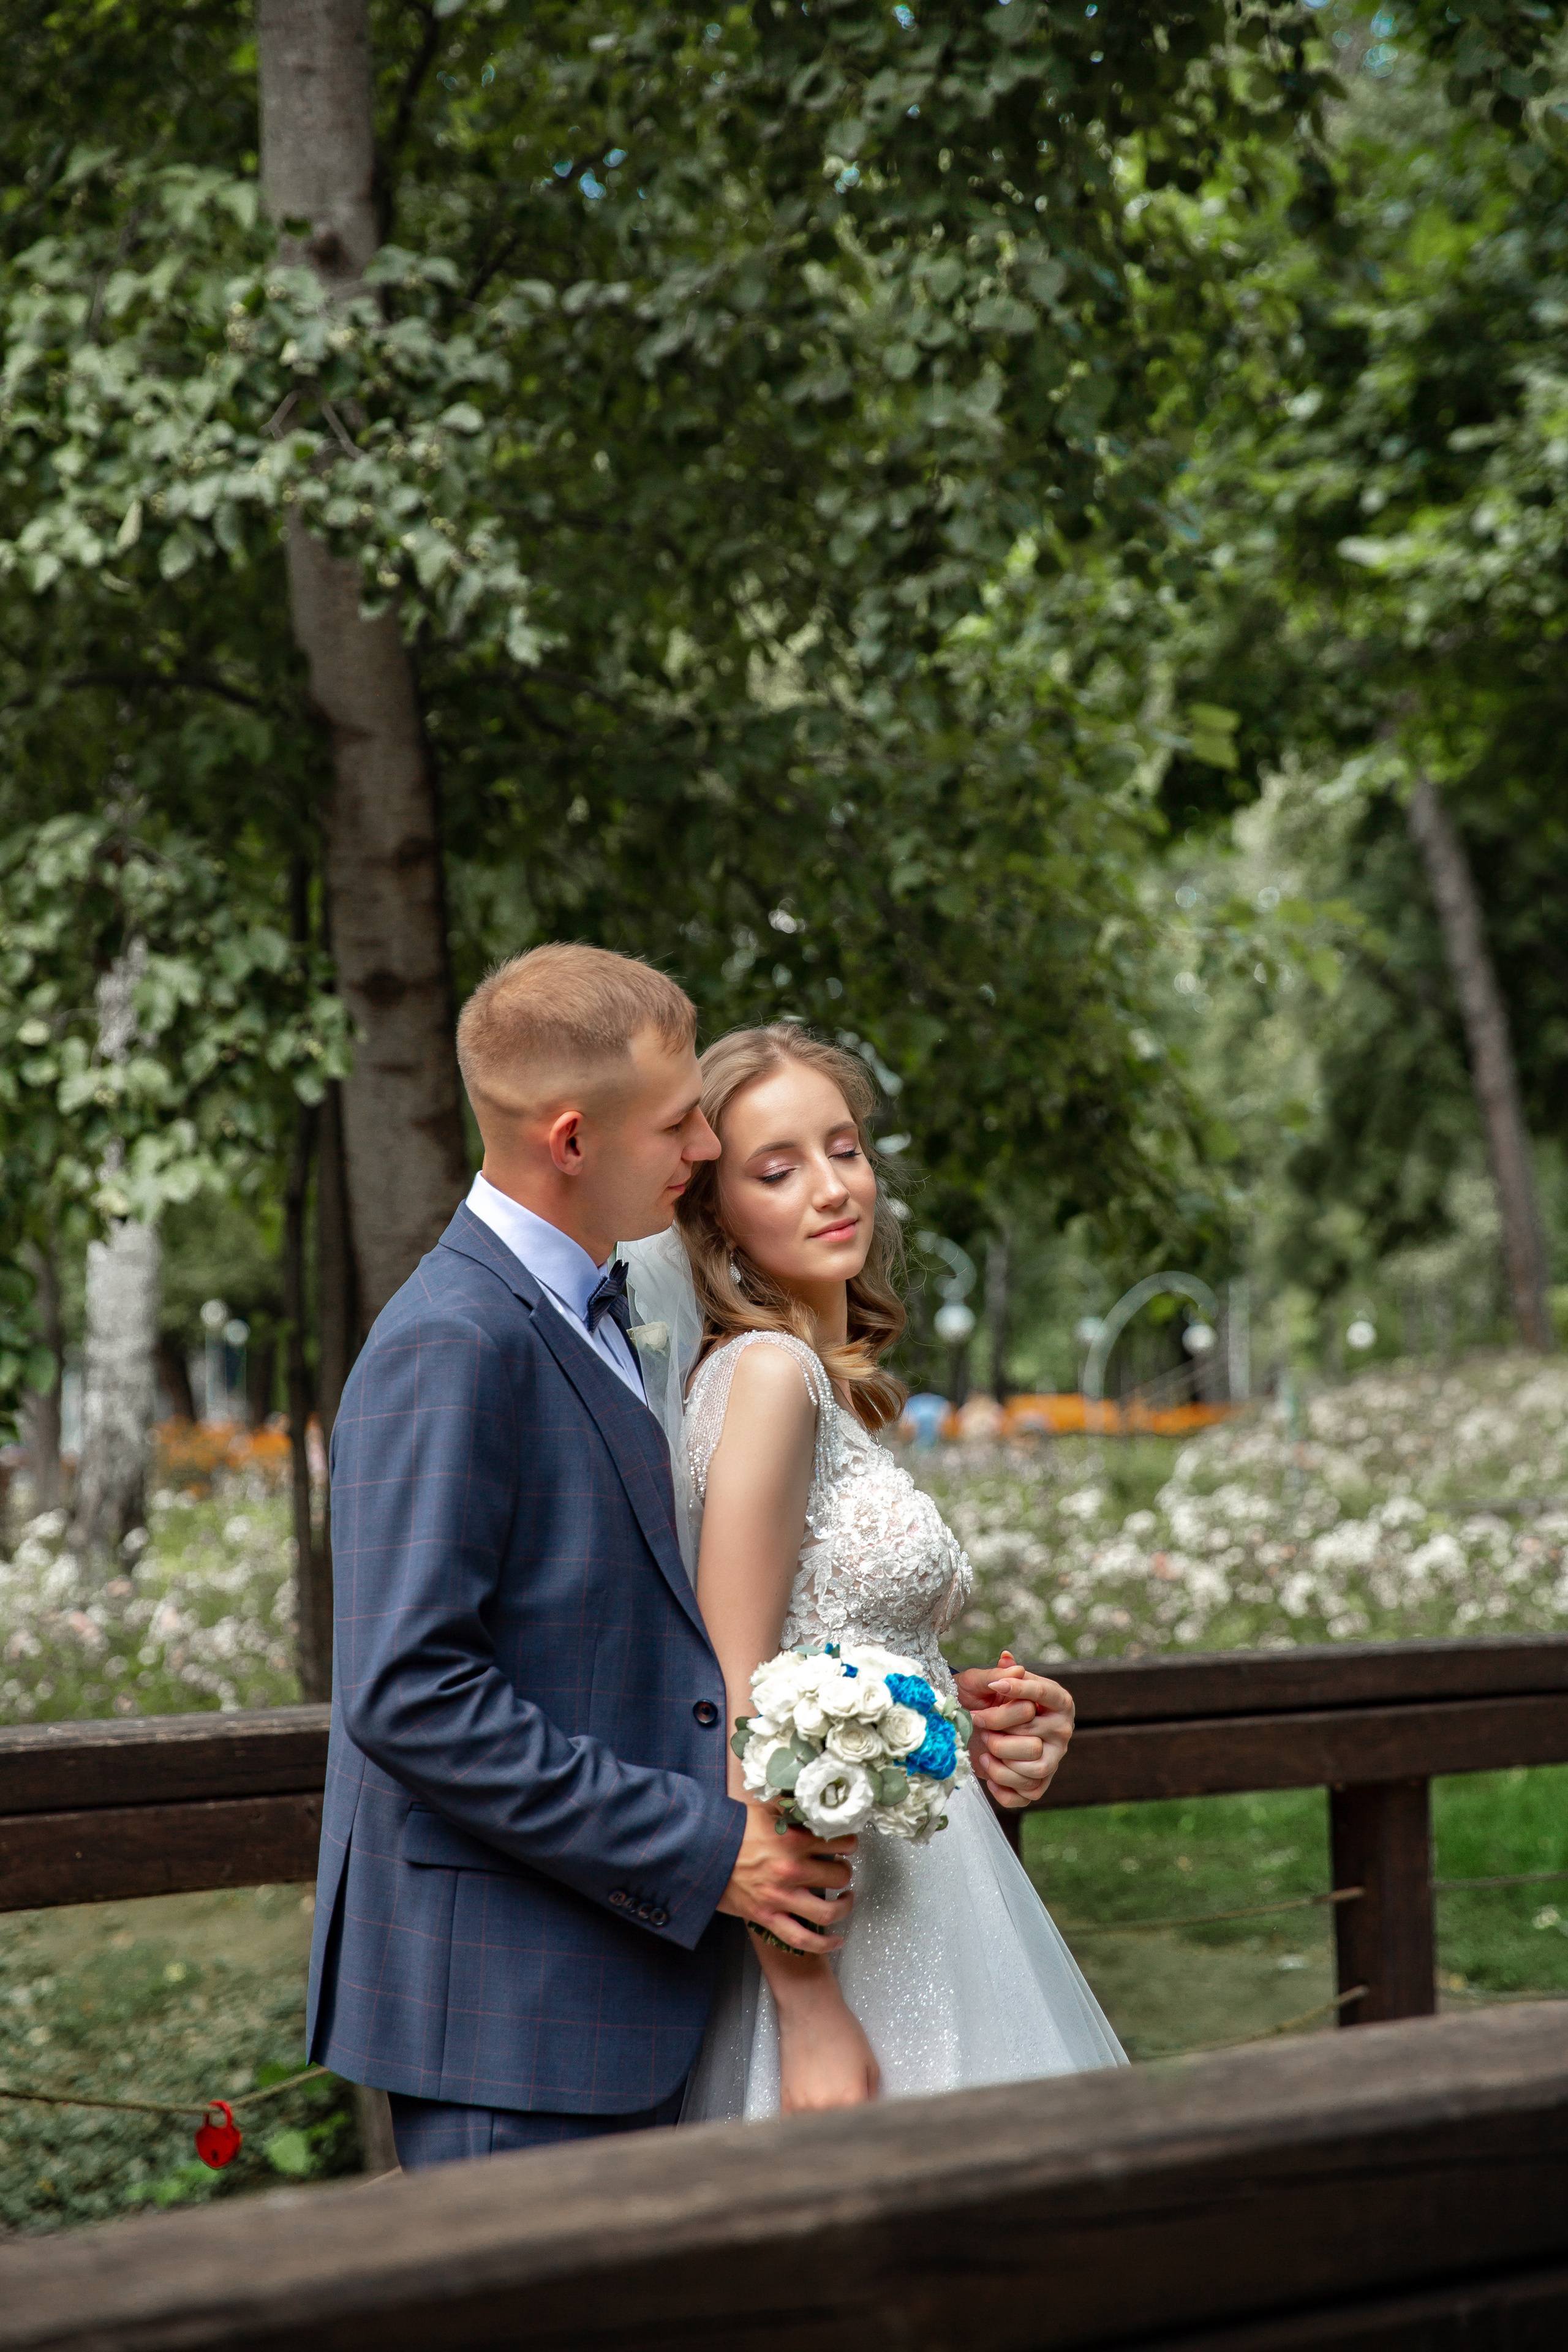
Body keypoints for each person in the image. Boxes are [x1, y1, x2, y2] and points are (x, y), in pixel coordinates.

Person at [306, 948, 870, 2169]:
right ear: (571, 1141)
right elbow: (409, 1692)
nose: (707, 1150)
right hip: (513, 2011)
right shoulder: (450, 1341)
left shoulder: (596, 1309)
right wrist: (704, 1847)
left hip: (609, 1985)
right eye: (679, 1124)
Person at [625, 1024, 1125, 2119]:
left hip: (926, 1881)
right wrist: (808, 2011)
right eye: (777, 1168)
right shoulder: (767, 1379)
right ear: (713, 1218)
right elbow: (737, 1704)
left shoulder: (821, 1384)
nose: (831, 1187)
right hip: (842, 1934)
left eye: (843, 1148)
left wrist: (982, 1721)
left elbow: (852, 1645)